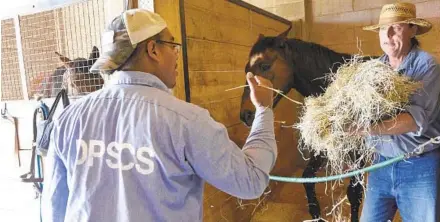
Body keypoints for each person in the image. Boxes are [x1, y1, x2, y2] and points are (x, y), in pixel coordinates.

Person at [41, 9, 277, 222]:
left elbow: (55, 207)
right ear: (153, 49)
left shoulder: (68, 119)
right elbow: (251, 180)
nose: (176, 54)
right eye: (172, 45)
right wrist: (264, 110)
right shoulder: (187, 121)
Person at [357, 2, 440, 222]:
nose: (387, 35)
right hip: (381, 163)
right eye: (382, 29)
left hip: (420, 165)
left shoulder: (428, 67)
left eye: (396, 28)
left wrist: (364, 129)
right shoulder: (374, 70)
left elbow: (413, 120)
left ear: (413, 30)